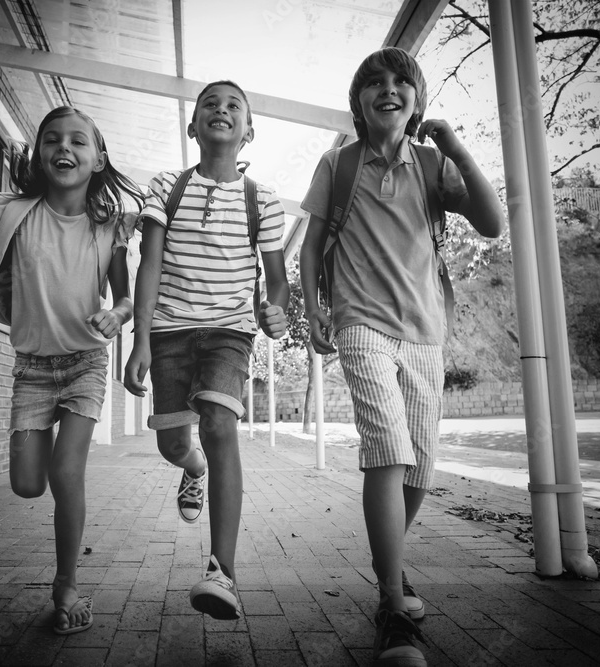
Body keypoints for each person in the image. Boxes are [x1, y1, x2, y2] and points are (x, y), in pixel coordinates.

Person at [299, 48, 505, 666]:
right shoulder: (337, 165)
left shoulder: (433, 165)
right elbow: (311, 246)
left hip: (424, 332)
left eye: (401, 82)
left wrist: (456, 147)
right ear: (359, 103)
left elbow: (493, 223)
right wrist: (314, 308)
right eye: (374, 83)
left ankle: (390, 564)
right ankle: (393, 603)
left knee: (420, 466)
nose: (388, 89)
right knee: (387, 447)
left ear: (416, 99)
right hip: (361, 322)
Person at [0, 106, 143, 635]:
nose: (65, 148)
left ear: (98, 157)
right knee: (26, 485)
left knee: (67, 474)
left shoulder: (108, 228)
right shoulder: (15, 215)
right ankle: (62, 564)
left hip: (85, 361)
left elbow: (127, 298)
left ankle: (66, 584)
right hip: (32, 370)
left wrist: (116, 314)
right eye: (52, 140)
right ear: (39, 154)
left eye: (78, 141)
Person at [123, 81, 289, 620]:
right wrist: (141, 339)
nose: (222, 110)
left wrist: (276, 309)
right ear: (193, 127)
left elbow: (277, 280)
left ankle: (223, 572)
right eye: (209, 105)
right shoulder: (166, 186)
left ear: (248, 132)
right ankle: (191, 469)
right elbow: (148, 266)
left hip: (229, 332)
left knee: (218, 423)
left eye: (234, 105)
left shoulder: (262, 199)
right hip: (169, 331)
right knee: (174, 444)